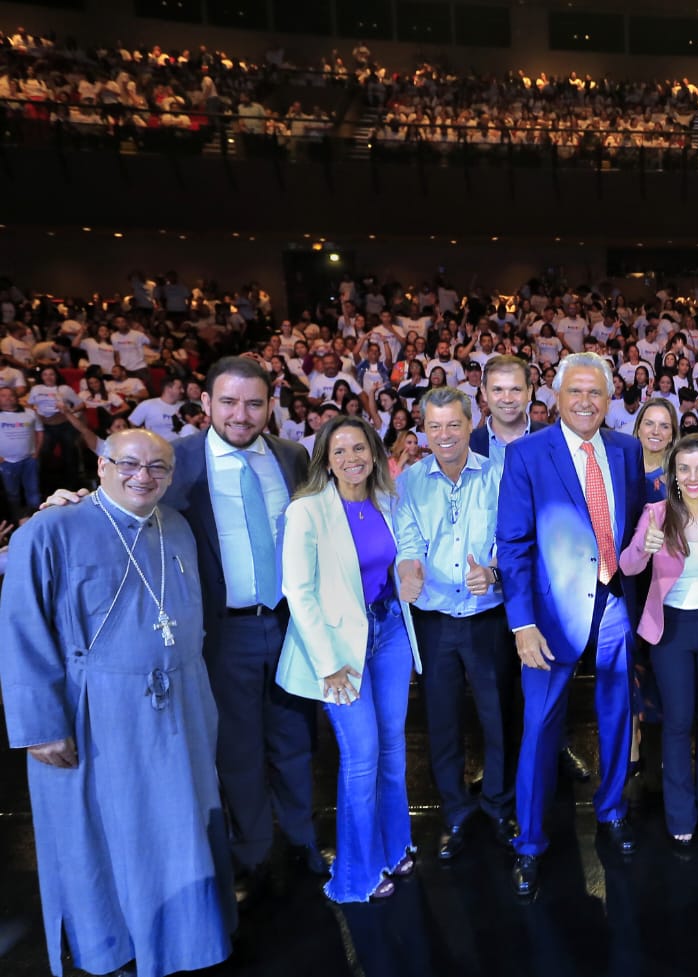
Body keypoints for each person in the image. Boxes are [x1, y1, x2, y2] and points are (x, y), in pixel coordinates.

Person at [0, 429, 235, 977]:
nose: (143, 476)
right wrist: (40, 726)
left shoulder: (174, 526)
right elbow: (22, 633)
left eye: (158, 467)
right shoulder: (51, 529)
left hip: (178, 703)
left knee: (182, 826)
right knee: (107, 833)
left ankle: (189, 940)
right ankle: (115, 947)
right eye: (128, 463)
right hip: (97, 711)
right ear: (101, 466)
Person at [167, 357, 322, 901]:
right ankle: (253, 853)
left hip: (288, 625)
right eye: (228, 402)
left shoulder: (291, 456)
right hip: (222, 632)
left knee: (295, 739)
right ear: (205, 403)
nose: (241, 414)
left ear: (269, 406)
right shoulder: (177, 462)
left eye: (254, 403)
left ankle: (304, 838)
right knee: (238, 748)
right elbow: (125, 499)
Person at [497, 351, 646, 897]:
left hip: (613, 603)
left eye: (597, 393)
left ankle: (611, 810)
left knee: (617, 714)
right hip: (549, 616)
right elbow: (512, 545)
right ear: (555, 398)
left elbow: (633, 529)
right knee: (539, 728)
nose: (586, 402)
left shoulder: (628, 450)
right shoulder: (527, 453)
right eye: (575, 392)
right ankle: (530, 842)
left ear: (610, 400)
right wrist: (521, 623)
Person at [277, 416, 420, 902]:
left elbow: (401, 559)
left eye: (359, 448)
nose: (351, 459)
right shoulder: (308, 510)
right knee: (361, 756)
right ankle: (357, 874)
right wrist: (327, 663)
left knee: (392, 748)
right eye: (339, 452)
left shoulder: (388, 500)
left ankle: (396, 843)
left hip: (391, 634)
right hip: (341, 651)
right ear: (326, 460)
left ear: (375, 453)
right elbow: (298, 592)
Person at [394, 388, 519, 861]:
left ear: (471, 425)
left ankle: (498, 805)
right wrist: (407, 570)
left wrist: (492, 571)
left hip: (488, 617)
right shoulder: (408, 481)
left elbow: (513, 537)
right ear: (423, 430)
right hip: (435, 618)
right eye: (434, 426)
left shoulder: (498, 473)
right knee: (441, 720)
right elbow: (406, 541)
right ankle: (455, 811)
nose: (444, 435)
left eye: (453, 425)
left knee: (498, 715)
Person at [620, 433, 698, 845]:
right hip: (669, 630)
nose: (692, 477)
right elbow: (628, 566)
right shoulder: (656, 513)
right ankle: (679, 814)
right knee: (676, 721)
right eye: (684, 468)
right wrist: (643, 546)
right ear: (672, 474)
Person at [469, 354, 542, 468]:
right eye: (497, 390)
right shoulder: (468, 445)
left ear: (529, 392)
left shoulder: (555, 440)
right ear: (484, 393)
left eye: (516, 389)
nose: (507, 399)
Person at [0, 385, 42, 520]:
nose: (8, 398)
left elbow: (40, 432)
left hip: (29, 459)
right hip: (6, 462)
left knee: (34, 492)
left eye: (11, 395)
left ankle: (37, 519)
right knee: (12, 494)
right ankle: (16, 520)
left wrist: (37, 451)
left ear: (16, 398)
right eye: (3, 395)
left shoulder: (30, 413)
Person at [634, 397, 678, 503]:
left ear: (672, 435)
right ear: (638, 429)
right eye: (649, 423)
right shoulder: (621, 470)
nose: (656, 431)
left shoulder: (678, 477)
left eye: (664, 426)